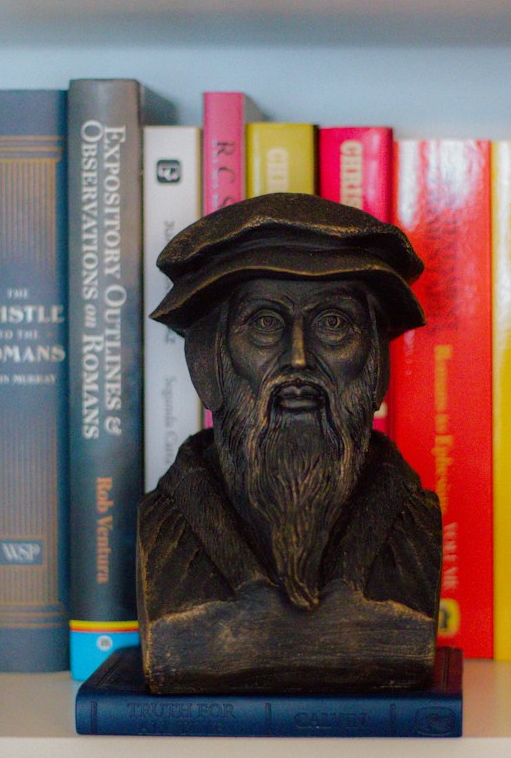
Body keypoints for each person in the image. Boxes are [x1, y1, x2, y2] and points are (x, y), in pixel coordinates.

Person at [138, 193, 442, 695]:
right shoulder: (164, 532)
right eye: (264, 324)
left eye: (333, 324)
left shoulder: (414, 528)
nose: (298, 360)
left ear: (375, 366)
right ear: (208, 363)